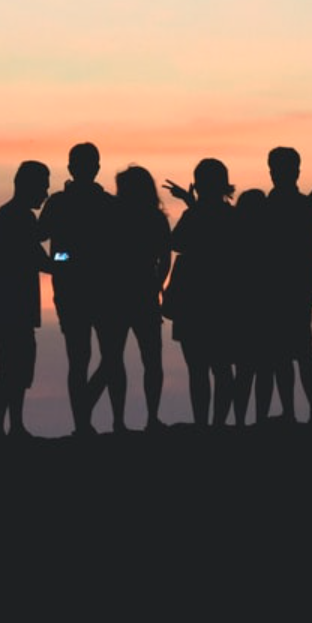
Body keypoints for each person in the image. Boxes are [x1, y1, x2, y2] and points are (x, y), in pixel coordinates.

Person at [253, 147, 312, 424]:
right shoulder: (305, 208)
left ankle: (299, 412)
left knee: (288, 354)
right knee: (299, 353)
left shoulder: (266, 209)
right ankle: (307, 412)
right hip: (295, 292)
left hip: (278, 292)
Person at [39, 142, 117, 435]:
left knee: (104, 358)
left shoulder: (107, 204)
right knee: (81, 357)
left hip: (100, 289)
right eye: (82, 164)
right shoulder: (60, 203)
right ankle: (82, 423)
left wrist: (63, 259)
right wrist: (63, 259)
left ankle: (83, 412)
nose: (86, 169)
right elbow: (40, 235)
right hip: (76, 289)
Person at [164, 158, 240, 425]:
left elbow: (176, 242)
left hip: (193, 300)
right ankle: (218, 423)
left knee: (198, 368)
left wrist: (190, 204)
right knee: (221, 367)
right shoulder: (233, 217)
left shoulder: (195, 215)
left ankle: (203, 424)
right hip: (223, 300)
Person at [101, 164, 171, 430]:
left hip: (119, 295)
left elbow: (165, 258)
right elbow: (165, 258)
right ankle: (147, 418)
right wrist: (157, 283)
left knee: (118, 360)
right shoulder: (155, 218)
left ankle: (122, 420)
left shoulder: (112, 216)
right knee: (149, 360)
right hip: (139, 294)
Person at [0, 160, 51, 440]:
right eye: (43, 186)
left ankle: (10, 427)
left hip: (6, 304)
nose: (46, 193)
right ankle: (3, 429)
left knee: (14, 368)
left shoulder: (8, 215)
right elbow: (40, 258)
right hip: (12, 305)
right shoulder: (18, 218)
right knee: (12, 368)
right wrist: (70, 258)